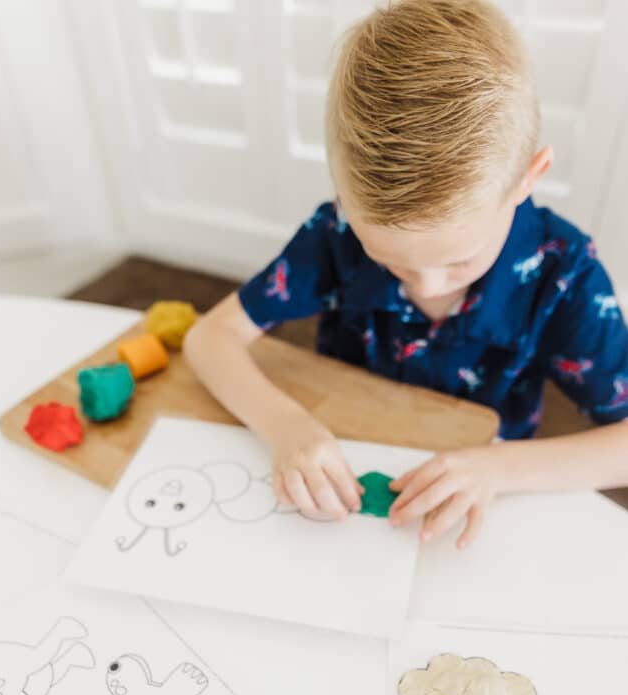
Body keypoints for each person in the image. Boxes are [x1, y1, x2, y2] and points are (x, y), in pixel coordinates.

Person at [184, 0, 628, 548]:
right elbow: (209, 338)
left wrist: (500, 470)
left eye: (460, 260)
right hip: (339, 499)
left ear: (527, 179)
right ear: (343, 193)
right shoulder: (336, 234)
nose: (425, 287)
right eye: (388, 259)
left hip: (476, 514)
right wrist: (283, 425)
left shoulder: (565, 277)